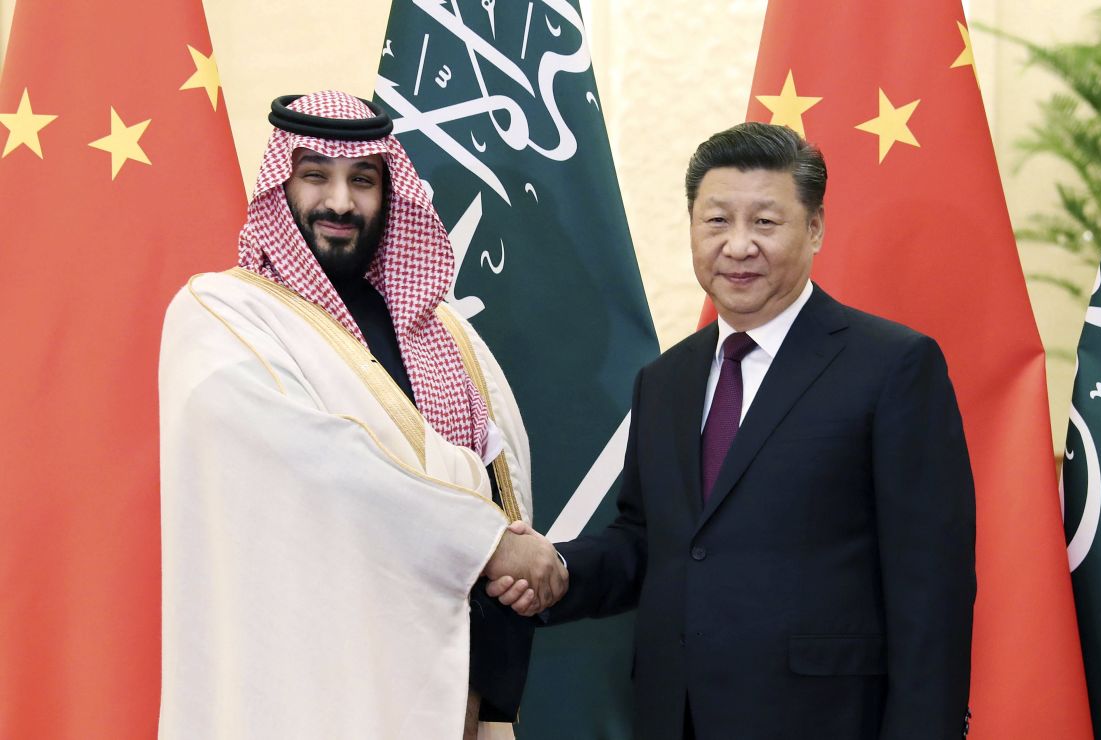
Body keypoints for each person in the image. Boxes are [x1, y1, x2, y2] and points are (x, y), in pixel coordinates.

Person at [491, 122, 976, 739]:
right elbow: (651, 542)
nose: (739, 246)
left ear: (817, 228)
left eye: (766, 223)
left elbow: (931, 585)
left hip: (825, 722)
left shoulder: (893, 366)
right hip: (676, 717)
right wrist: (556, 568)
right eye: (717, 221)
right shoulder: (665, 380)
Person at [158, 90, 566, 740]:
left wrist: (503, 552)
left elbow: (504, 483)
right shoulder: (220, 315)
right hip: (307, 687)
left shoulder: (446, 336)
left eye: (363, 180)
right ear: (280, 186)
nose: (341, 203)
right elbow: (315, 463)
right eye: (315, 175)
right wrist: (481, 539)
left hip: (449, 686)